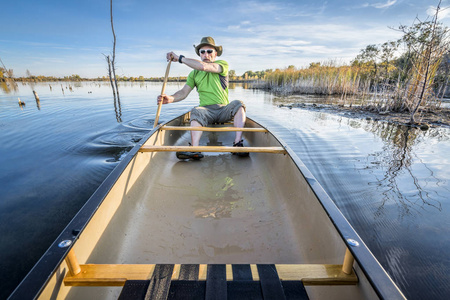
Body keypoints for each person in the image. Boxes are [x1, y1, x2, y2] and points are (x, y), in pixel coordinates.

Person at [157, 36, 248, 160]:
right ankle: (195, 149)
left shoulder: (222, 65)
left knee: (239, 104)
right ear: (200, 54)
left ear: (215, 54)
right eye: (203, 52)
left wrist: (180, 58)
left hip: (223, 109)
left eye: (209, 51)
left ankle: (237, 144)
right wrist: (170, 98)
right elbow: (183, 92)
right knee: (196, 110)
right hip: (206, 112)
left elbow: (204, 67)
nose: (206, 54)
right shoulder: (194, 74)